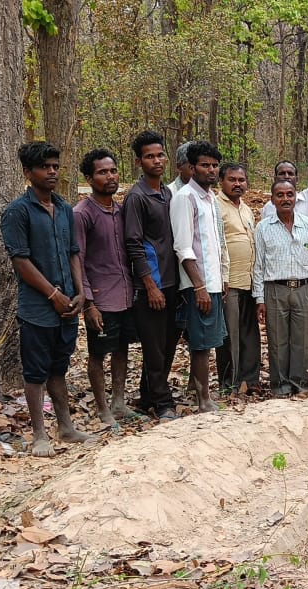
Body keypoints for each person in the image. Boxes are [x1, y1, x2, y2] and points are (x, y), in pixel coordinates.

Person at [1, 141, 92, 457]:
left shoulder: (66, 209)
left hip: (68, 304)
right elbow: (21, 261)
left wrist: (79, 292)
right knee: (35, 371)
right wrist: (52, 294)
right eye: (44, 167)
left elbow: (73, 252)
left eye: (55, 166)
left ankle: (65, 426)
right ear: (28, 173)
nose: (52, 172)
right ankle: (40, 434)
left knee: (59, 367)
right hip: (38, 307)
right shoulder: (17, 212)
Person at [75, 148, 136, 429]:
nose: (110, 177)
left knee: (122, 347)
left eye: (113, 171)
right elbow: (78, 260)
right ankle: (102, 409)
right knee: (98, 353)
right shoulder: (82, 214)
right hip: (100, 297)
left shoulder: (121, 211)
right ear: (89, 178)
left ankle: (119, 402)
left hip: (125, 295)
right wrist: (88, 303)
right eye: (102, 172)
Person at [123, 130, 181, 421]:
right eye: (149, 156)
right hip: (151, 285)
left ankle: (147, 395)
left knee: (169, 342)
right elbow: (133, 243)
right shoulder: (136, 197)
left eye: (160, 155)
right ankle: (162, 403)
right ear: (139, 161)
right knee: (154, 347)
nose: (156, 161)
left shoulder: (167, 193)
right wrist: (149, 284)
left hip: (172, 282)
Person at [253, 180, 308, 397]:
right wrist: (259, 298)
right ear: (272, 199)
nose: (285, 199)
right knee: (278, 341)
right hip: (275, 290)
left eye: (289, 194)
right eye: (280, 195)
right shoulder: (263, 228)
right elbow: (258, 265)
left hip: (304, 289)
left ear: (296, 197)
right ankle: (280, 386)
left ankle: (300, 384)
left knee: (302, 341)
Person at [170, 140, 228, 413]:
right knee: (201, 343)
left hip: (213, 283)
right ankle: (203, 400)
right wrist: (200, 286)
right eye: (205, 165)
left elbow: (214, 242)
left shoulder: (210, 198)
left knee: (207, 341)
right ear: (191, 168)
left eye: (215, 165)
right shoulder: (185, 198)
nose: (211, 170)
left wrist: (220, 279)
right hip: (197, 285)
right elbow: (183, 247)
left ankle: (200, 392)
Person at [216, 162, 262, 394]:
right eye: (232, 179)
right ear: (221, 181)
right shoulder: (216, 205)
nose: (237, 184)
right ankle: (229, 383)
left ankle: (250, 380)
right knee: (229, 337)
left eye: (241, 180)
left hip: (249, 282)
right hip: (229, 282)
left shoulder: (245, 208)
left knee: (249, 334)